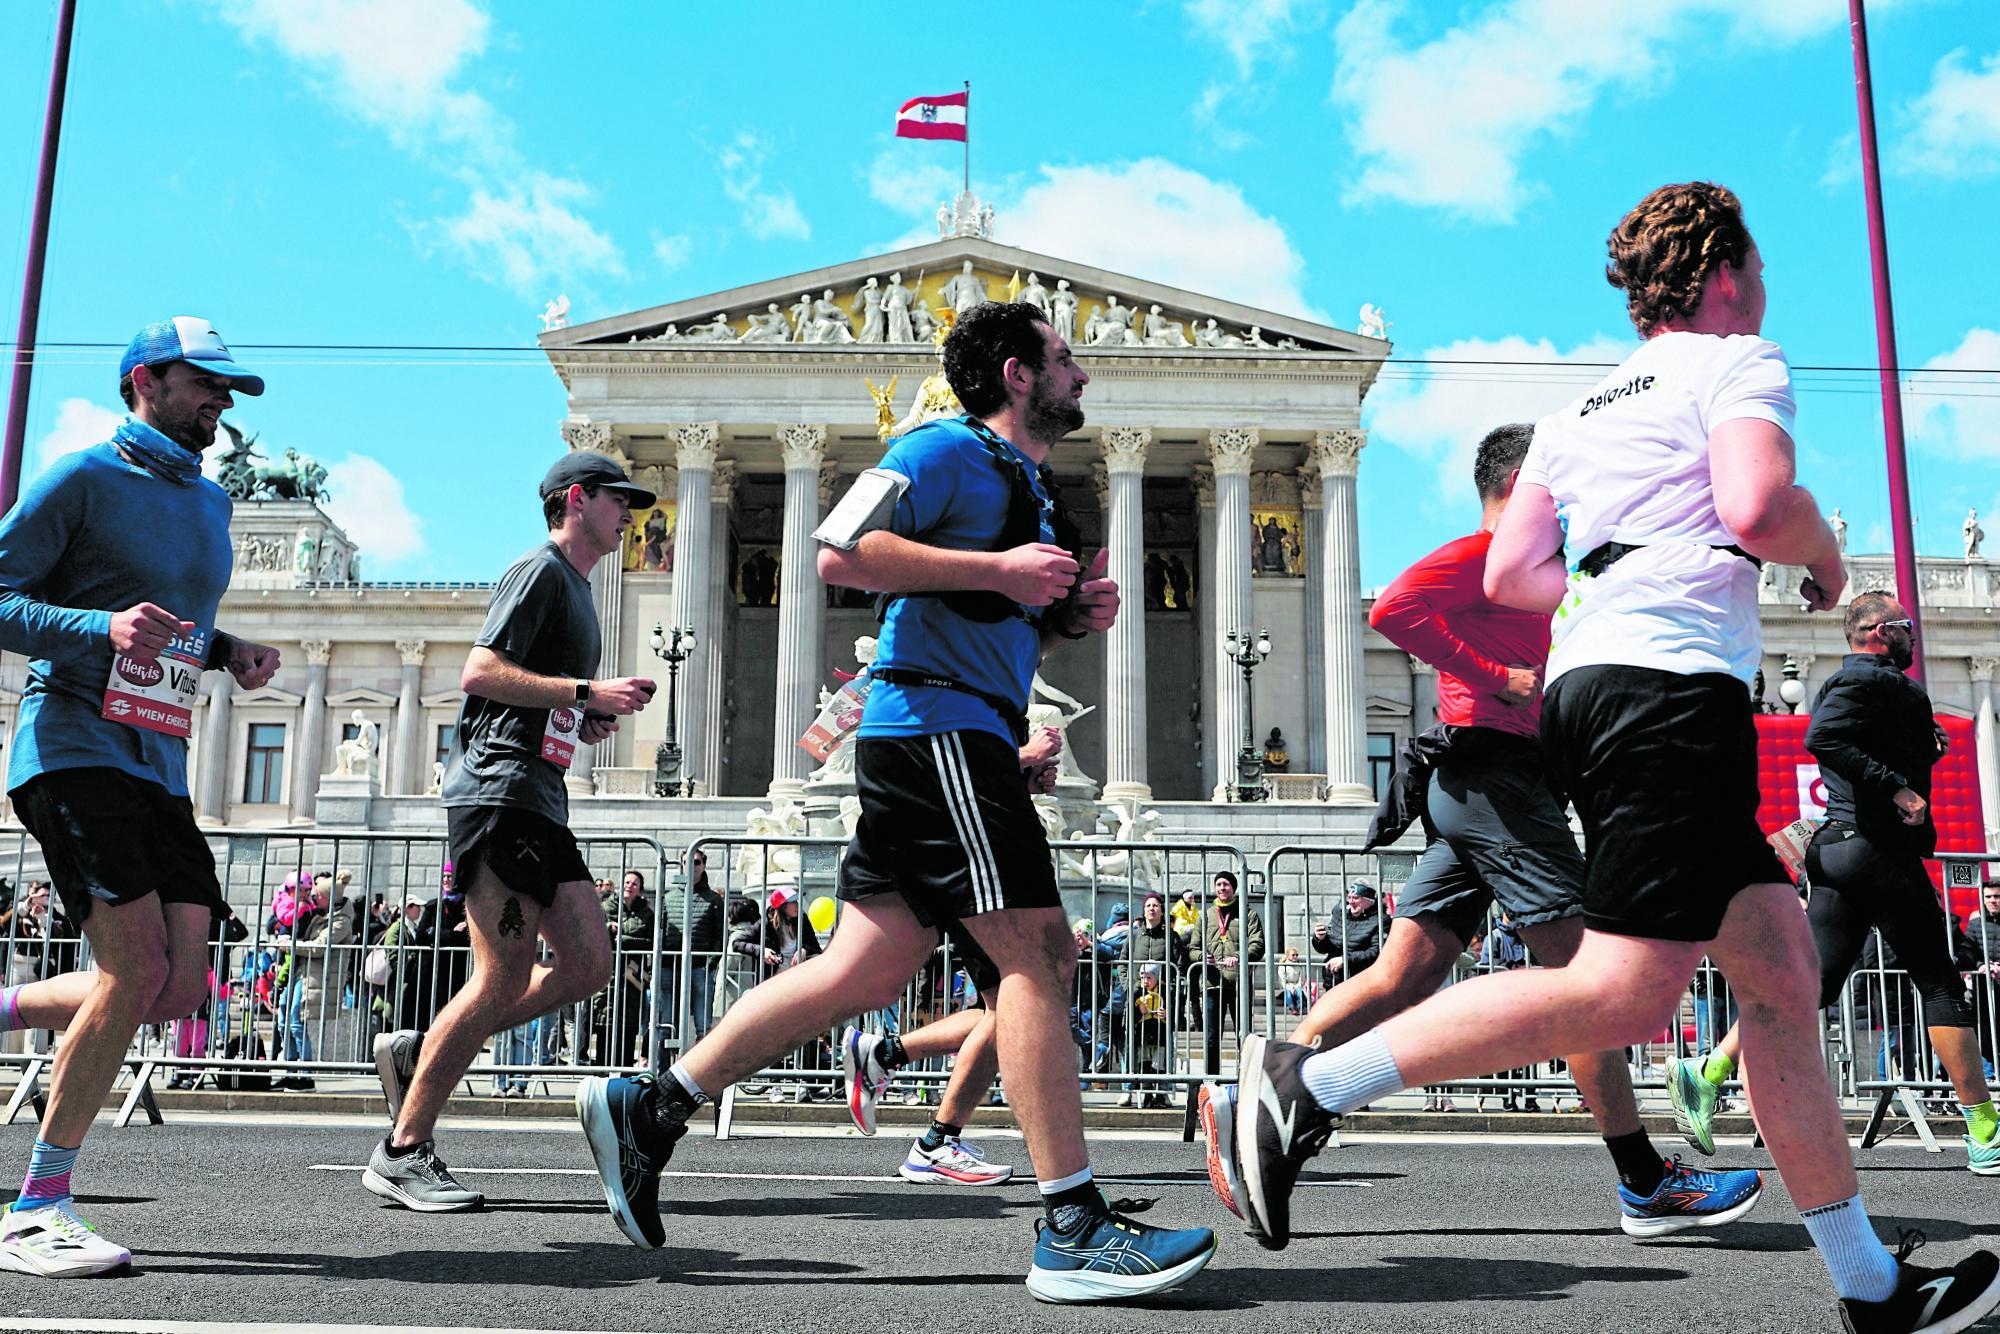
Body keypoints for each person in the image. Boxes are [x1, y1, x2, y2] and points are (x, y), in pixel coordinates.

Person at [1221, 183, 2000, 1331]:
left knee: (1779, 974)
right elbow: (1755, 501)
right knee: (1623, 989)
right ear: (1725, 270)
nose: (1766, 284)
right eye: (1759, 262)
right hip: (1668, 691)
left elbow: (1509, 576)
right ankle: (1305, 1083)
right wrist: (1825, 562)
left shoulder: (1581, 404)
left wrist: (1618, 577)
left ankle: (1867, 1281)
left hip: (1594, 682)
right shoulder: (1736, 360)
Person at [576, 299, 1214, 1303]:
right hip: (935, 735)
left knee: (864, 967)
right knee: (1040, 955)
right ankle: (1071, 1226)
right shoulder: (941, 447)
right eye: (1064, 359)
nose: (1082, 376)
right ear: (1014, 372)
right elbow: (837, 549)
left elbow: (964, 610)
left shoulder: (1025, 485)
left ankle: (650, 1103)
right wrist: (1001, 571)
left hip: (958, 732)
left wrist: (1055, 623)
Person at [0, 317, 279, 1276]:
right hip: (73, 742)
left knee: (177, 986)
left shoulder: (212, 502)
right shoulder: (81, 477)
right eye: (206, 384)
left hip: (159, 759)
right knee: (126, 973)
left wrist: (225, 647)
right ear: (143, 380)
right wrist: (96, 627)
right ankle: (37, 1206)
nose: (220, 404)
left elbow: (174, 626)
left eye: (229, 392)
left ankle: (5, 1009)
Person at [362, 450, 658, 1212]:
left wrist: (579, 717)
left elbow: (528, 694)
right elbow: (480, 671)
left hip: (539, 792)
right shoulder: (540, 571)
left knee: (591, 961)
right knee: (500, 973)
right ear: (577, 499)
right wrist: (585, 689)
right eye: (619, 500)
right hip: (499, 793)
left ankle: (424, 1052)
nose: (631, 515)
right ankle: (402, 1150)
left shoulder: (582, 590)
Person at [1671, 591, 1999, 1177]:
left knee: (1811, 987)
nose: (1912, 634)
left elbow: (1859, 739)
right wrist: (1897, 785)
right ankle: (1984, 1129)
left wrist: (1925, 747)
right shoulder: (1867, 681)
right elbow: (1822, 738)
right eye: (1902, 626)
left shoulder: (1869, 686)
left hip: (1844, 852)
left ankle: (1707, 1072)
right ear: (1874, 632)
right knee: (1941, 984)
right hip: (1876, 851)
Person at [1197, 871, 1263, 1075]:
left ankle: (1246, 1077)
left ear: (1233, 888)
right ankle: (1212, 1080)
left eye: (1226, 884)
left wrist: (1239, 955)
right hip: (1212, 983)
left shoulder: (1247, 913)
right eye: (1218, 884)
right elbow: (1192, 947)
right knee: (1211, 1037)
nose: (1222, 888)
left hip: (1238, 984)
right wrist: (1201, 957)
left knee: (1243, 1035)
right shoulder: (1206, 915)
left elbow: (1258, 944)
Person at [658, 850, 724, 1045]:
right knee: (666, 1023)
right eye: (686, 862)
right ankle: (663, 1070)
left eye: (695, 862)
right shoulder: (668, 898)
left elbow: (720, 936)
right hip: (670, 966)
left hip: (700, 968)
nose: (691, 867)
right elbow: (660, 931)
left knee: (703, 1027)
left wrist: (709, 964)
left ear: (703, 865)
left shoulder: (714, 899)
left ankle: (703, 1072)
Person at [1309, 883, 1383, 992]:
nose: (1351, 902)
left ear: (1369, 901)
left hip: (1360, 982)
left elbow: (1375, 952)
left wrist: (1346, 960)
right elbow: (1325, 949)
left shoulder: (1380, 920)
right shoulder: (1339, 913)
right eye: (1349, 897)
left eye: (1356, 898)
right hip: (1333, 980)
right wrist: (1320, 938)